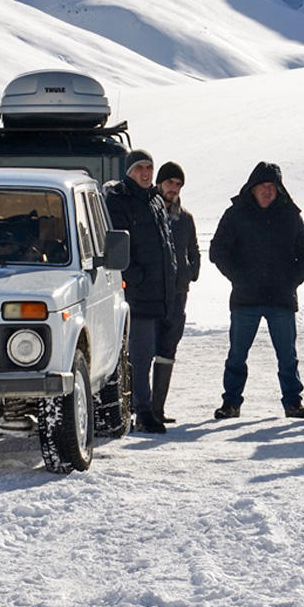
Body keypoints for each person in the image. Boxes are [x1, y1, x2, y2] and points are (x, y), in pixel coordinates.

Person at [209, 162, 304, 419]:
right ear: (252, 188)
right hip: (245, 298)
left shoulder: (290, 214)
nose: (268, 191)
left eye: (272, 186)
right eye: (263, 186)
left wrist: (291, 281)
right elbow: (218, 251)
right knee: (237, 355)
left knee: (287, 356)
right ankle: (230, 403)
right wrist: (238, 278)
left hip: (281, 299)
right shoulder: (236, 214)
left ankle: (293, 403)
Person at [104, 149, 177, 433]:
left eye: (148, 168)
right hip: (137, 294)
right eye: (139, 168)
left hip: (160, 292)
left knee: (152, 352)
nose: (145, 173)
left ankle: (145, 407)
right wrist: (136, 277)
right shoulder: (119, 201)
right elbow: (116, 248)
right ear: (128, 171)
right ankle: (142, 411)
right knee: (140, 355)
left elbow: (165, 244)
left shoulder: (155, 200)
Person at [151, 161, 200, 424]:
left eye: (178, 184)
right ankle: (139, 408)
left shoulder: (186, 218)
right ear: (159, 183)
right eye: (170, 182)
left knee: (168, 348)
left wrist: (191, 271)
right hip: (151, 293)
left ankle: (157, 410)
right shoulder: (149, 212)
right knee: (143, 349)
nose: (174, 188)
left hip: (178, 293)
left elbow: (193, 249)